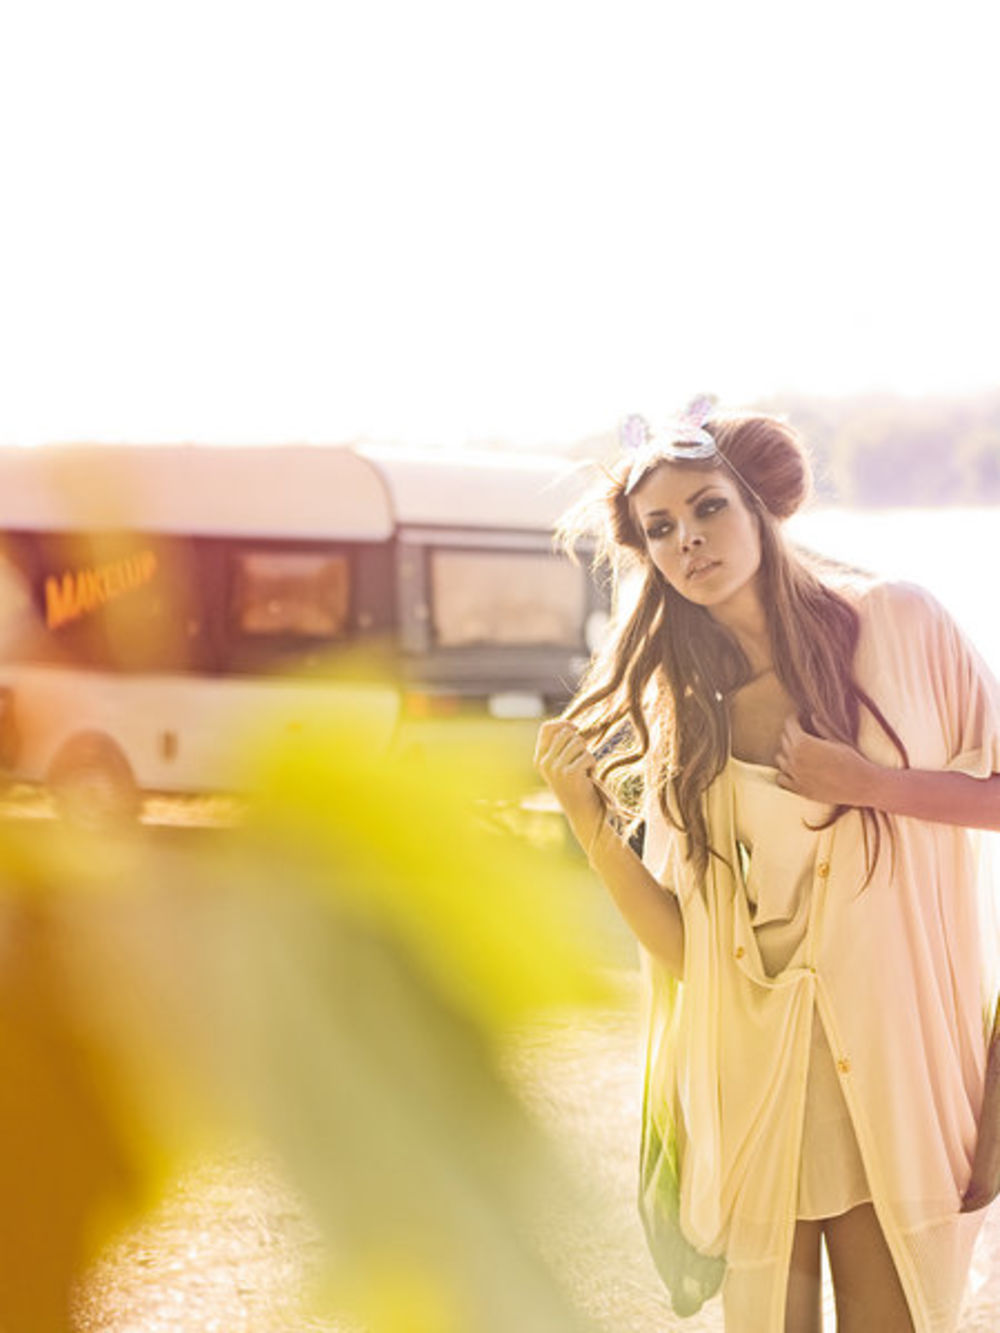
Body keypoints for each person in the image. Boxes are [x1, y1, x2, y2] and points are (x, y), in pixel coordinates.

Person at [534, 397, 1000, 1333]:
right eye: (661, 528)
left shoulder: (900, 626)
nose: (689, 541)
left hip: (893, 1065)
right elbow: (690, 951)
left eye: (708, 508)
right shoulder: (689, 721)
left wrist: (868, 781)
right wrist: (589, 826)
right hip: (755, 1082)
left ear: (760, 509)